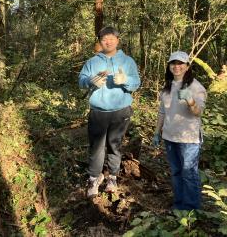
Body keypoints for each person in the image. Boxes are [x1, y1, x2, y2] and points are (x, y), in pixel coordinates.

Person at [79, 26, 140, 197]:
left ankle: (112, 177)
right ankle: (94, 178)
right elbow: (81, 81)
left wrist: (125, 80)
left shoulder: (127, 61)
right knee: (96, 147)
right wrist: (90, 81)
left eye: (111, 38)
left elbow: (136, 83)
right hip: (98, 111)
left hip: (121, 111)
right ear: (100, 42)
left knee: (115, 145)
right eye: (104, 38)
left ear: (117, 40)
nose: (108, 41)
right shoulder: (92, 62)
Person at [153, 51, 206, 210]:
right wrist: (157, 132)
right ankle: (179, 205)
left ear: (187, 66)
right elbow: (162, 112)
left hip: (188, 139)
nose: (177, 67)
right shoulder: (167, 87)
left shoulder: (196, 87)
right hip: (170, 136)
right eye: (173, 63)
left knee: (189, 174)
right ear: (169, 66)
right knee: (176, 173)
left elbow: (199, 112)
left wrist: (190, 101)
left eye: (180, 63)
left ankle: (190, 210)